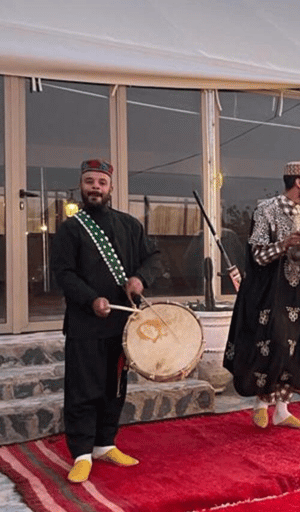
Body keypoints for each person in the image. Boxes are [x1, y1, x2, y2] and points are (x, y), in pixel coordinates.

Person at [51, 159, 162, 484]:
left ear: (110, 187)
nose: (95, 187)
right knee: (83, 390)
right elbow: (64, 273)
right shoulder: (71, 229)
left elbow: (153, 257)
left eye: (101, 182)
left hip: (121, 327)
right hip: (85, 326)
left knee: (113, 389)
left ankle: (104, 444)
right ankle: (82, 454)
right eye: (89, 182)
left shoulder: (129, 225)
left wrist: (140, 278)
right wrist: (90, 299)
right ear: (81, 186)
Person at [224, 161, 300, 429]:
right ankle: (261, 404)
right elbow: (257, 255)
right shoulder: (265, 211)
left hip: (296, 292)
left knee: (294, 347)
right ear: (298, 182)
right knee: (270, 346)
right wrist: (284, 244)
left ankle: (282, 410)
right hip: (268, 293)